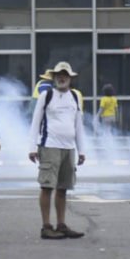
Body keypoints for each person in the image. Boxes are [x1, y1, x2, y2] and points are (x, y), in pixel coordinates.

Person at [29, 62, 86, 240]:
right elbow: (35, 122)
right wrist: (32, 147)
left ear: (70, 78)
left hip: (68, 148)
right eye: (59, 75)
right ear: (54, 77)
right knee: (47, 186)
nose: (62, 78)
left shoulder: (75, 97)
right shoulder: (46, 95)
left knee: (63, 188)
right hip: (49, 145)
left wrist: (81, 150)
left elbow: (78, 126)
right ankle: (46, 226)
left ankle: (61, 225)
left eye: (65, 75)